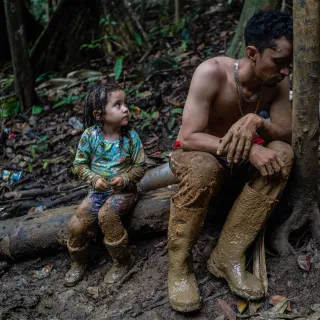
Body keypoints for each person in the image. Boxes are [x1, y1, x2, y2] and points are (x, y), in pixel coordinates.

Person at [168, 10, 294, 312]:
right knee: (203, 168)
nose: (286, 71)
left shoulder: (275, 84)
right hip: (199, 154)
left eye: (290, 63)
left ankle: (228, 255)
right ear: (253, 53)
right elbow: (189, 137)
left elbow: (286, 133)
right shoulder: (211, 73)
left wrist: (257, 122)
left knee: (283, 155)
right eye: (279, 62)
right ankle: (179, 267)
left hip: (236, 162)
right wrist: (249, 149)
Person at [64, 84, 146, 287]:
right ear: (99, 114)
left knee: (107, 215)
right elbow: (79, 165)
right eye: (117, 105)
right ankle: (79, 262)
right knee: (76, 224)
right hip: (97, 192)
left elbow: (140, 166)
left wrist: (125, 179)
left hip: (124, 192)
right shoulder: (89, 136)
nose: (126, 108)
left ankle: (123, 260)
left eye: (125, 103)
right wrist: (94, 179)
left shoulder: (130, 138)